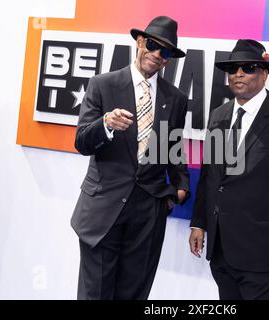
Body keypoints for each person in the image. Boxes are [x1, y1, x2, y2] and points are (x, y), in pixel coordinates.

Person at [71, 16, 190, 300]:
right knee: (95, 294)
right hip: (104, 209)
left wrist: (179, 187)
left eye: (166, 51)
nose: (157, 54)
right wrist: (106, 124)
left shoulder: (176, 99)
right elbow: (82, 141)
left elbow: (172, 147)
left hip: (148, 212)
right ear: (139, 42)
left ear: (170, 59)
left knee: (134, 293)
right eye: (152, 45)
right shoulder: (103, 85)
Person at [189, 39, 269, 300]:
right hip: (222, 249)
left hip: (265, 252)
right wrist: (199, 223)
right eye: (233, 68)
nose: (238, 74)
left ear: (264, 74)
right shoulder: (218, 115)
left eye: (248, 68)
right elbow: (210, 176)